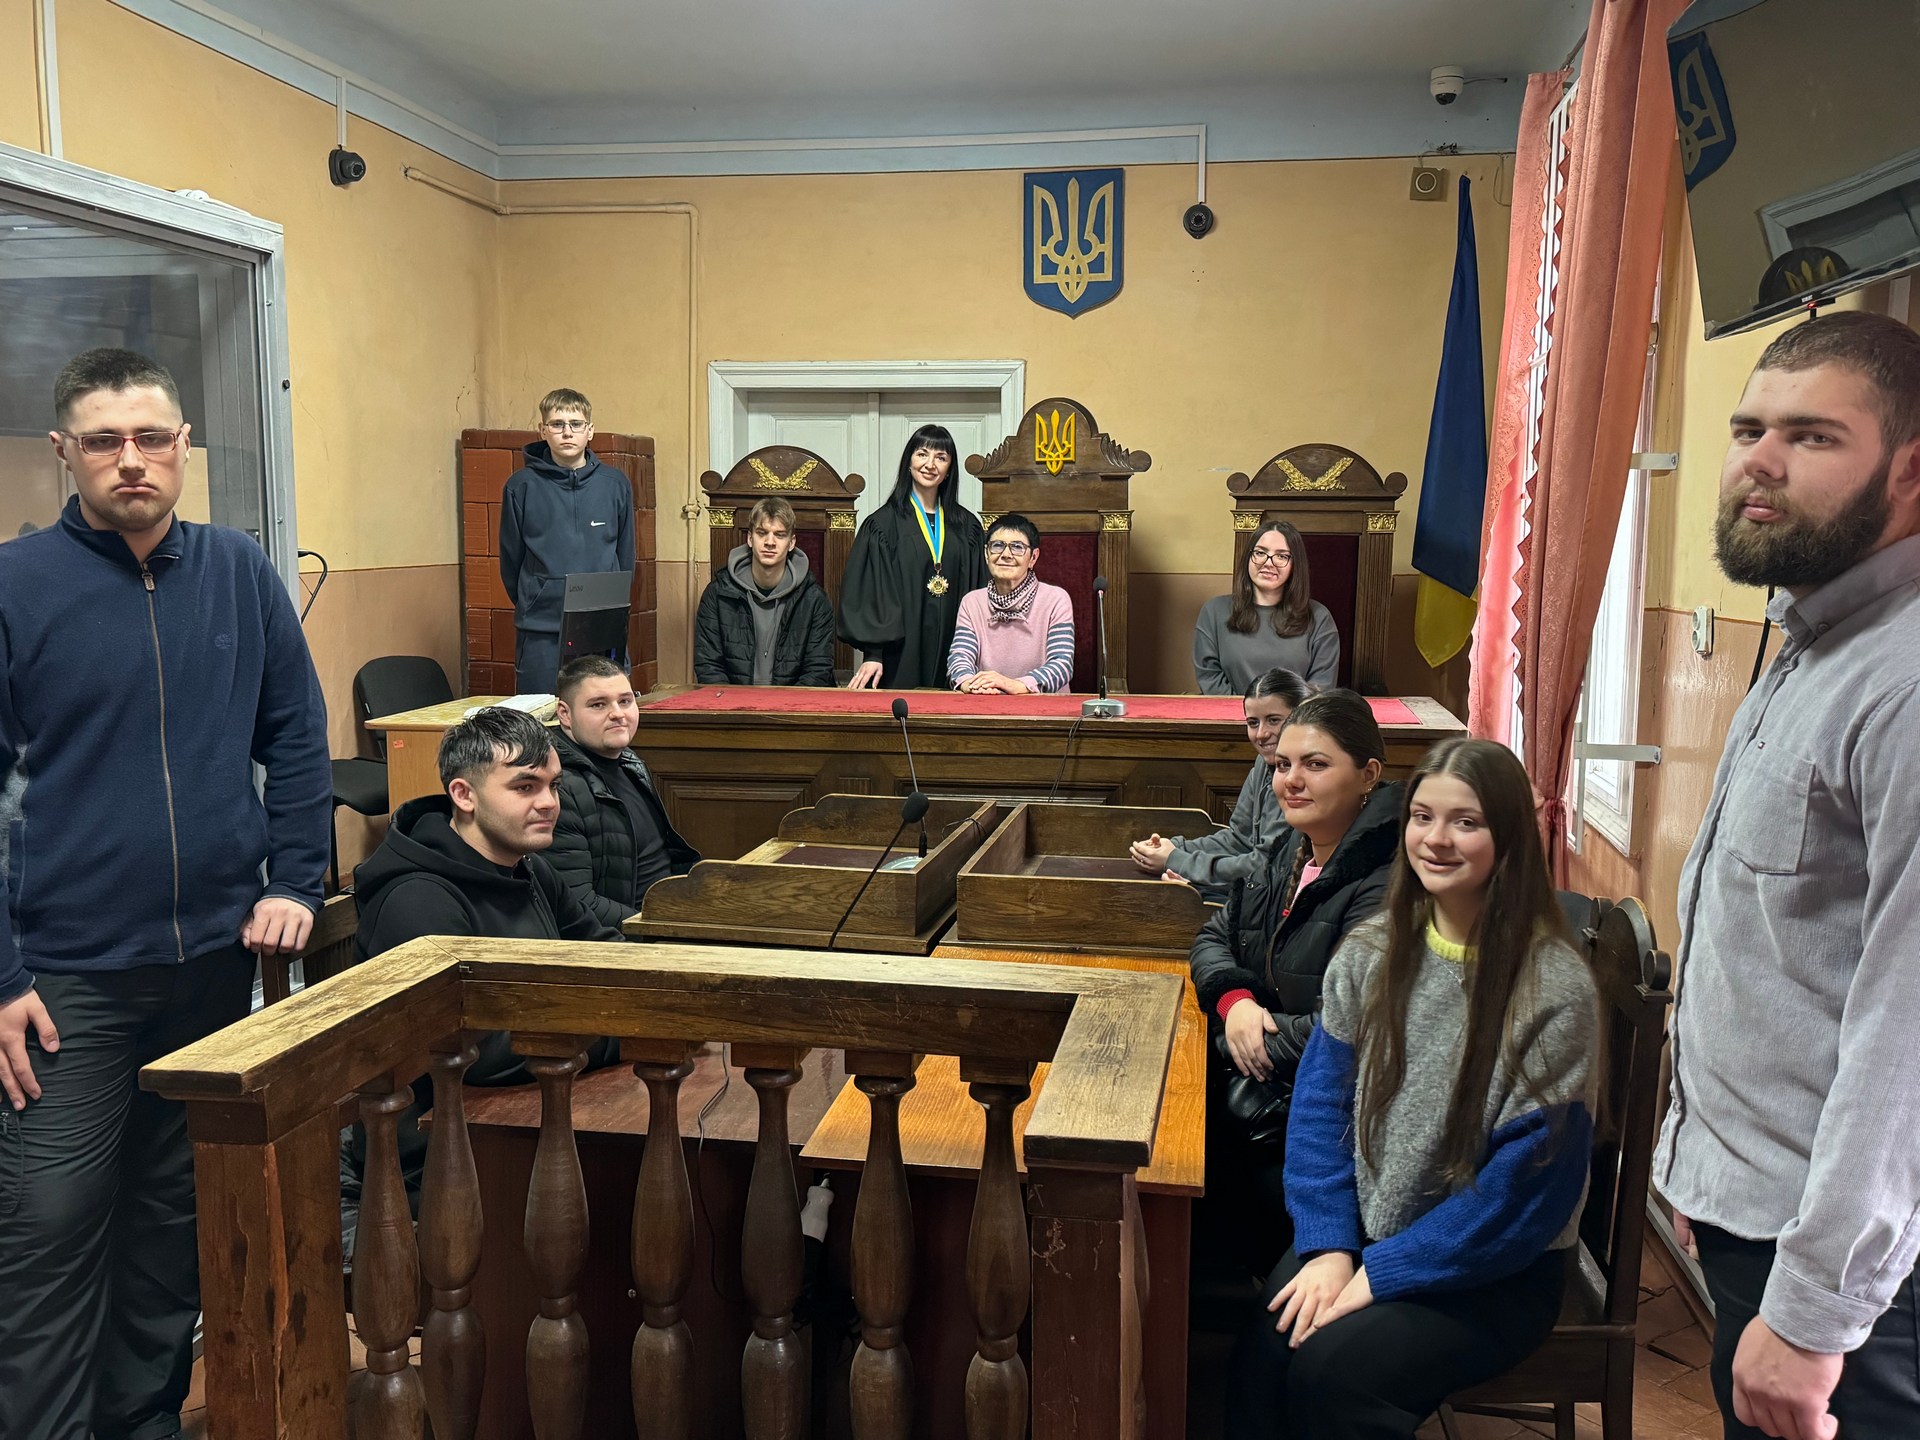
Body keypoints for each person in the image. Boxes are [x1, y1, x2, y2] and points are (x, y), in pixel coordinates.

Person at [0, 348, 331, 1440]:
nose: (131, 459)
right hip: (66, 984)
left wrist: (297, 878)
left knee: (168, 1226)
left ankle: (141, 1424)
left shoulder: (239, 571)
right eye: (104, 441)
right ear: (66, 453)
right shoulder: (15, 586)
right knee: (47, 1230)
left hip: (211, 970)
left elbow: (296, 733)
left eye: (151, 437)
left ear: (185, 445)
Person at [1654, 311, 1920, 1440]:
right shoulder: (1815, 639)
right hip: (1765, 1223)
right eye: (1747, 429)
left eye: (1812, 437)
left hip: (1859, 1282)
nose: (1760, 461)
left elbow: (1907, 1031)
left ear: (1910, 472)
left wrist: (1816, 1314)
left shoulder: (1905, 677)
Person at [1226, 736, 1599, 1440]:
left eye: (1466, 822)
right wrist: (1329, 1247)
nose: (1437, 839)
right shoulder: (1371, 952)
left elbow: (1525, 1190)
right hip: (1367, 1230)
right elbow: (1319, 1112)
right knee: (1264, 1358)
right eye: (1423, 817)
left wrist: (1382, 1272)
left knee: (1333, 1375)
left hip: (1496, 1265)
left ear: (1509, 838)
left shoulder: (1553, 988)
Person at [345, 707, 622, 1232]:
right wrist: (626, 1034)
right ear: (464, 795)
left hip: (528, 1107)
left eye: (553, 785)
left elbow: (604, 953)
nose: (549, 803)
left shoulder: (528, 867)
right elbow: (484, 1053)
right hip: (438, 1154)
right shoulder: (418, 901)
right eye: (524, 787)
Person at [1188, 690, 1402, 1271]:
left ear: (1368, 775)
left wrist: (1246, 1042)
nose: (1292, 781)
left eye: (1316, 764)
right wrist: (1234, 1003)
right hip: (1267, 1058)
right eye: (1283, 765)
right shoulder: (1289, 849)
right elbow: (1213, 936)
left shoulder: (1388, 877)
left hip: (1336, 1105)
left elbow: (1353, 1024)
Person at [498, 387, 635, 694]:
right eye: (557, 424)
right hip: (541, 628)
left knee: (604, 712)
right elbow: (510, 560)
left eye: (576, 424)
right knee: (539, 713)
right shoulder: (520, 487)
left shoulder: (615, 485)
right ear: (542, 430)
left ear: (590, 431)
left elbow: (626, 556)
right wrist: (537, 596)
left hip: (602, 625)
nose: (567, 432)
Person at [1130, 668, 1313, 896]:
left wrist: (1177, 860)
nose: (1261, 734)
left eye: (1273, 720)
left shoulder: (1302, 779)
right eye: (1253, 723)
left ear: (1300, 716)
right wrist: (1175, 847)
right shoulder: (1263, 763)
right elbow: (1239, 839)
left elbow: (1267, 867)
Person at [548, 655, 699, 930]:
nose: (617, 713)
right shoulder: (557, 788)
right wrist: (656, 925)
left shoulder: (630, 761)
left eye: (625, 701)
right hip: (630, 934)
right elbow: (577, 905)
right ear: (565, 714)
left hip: (667, 914)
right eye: (598, 704)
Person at [838, 423, 988, 688]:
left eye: (941, 457)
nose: (930, 464)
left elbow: (980, 594)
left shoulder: (968, 527)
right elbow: (871, 592)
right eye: (922, 454)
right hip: (899, 654)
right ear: (908, 461)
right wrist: (873, 654)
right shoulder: (882, 526)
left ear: (949, 469)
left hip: (956, 652)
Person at [694, 497, 837, 687]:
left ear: (791, 542)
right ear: (750, 538)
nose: (770, 542)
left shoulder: (814, 601)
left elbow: (817, 670)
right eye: (762, 533)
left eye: (779, 535)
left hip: (793, 704)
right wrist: (733, 704)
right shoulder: (717, 594)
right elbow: (708, 665)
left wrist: (784, 705)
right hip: (731, 703)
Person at [1195, 519, 1340, 694]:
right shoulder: (1214, 611)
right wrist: (1246, 711)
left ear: (1295, 565)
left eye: (1281, 556)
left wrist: (1284, 712)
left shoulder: (1319, 617)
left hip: (1299, 712)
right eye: (1260, 553)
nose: (1268, 563)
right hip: (1229, 711)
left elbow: (1321, 685)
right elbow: (1210, 679)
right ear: (1248, 558)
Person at [946, 513, 1076, 694]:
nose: (1006, 555)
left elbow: (1061, 664)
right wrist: (970, 684)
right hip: (986, 700)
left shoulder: (1056, 599)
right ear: (986, 554)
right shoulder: (972, 602)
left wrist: (1014, 685)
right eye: (997, 546)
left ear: (1033, 557)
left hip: (1044, 706)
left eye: (1017, 547)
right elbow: (960, 657)